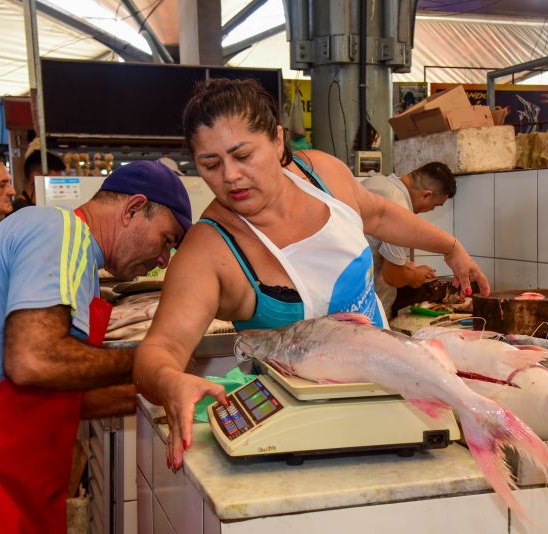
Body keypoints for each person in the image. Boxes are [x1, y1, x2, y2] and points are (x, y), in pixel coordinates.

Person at [132, 78, 491, 471]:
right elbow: (158, 350)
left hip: (396, 407)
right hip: (302, 441)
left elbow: (378, 214)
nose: (230, 176)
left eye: (243, 155)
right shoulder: (210, 249)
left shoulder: (321, 173)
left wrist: (450, 248)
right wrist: (169, 382)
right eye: (211, 165)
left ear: (278, 141)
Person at [0, 160, 191, 532]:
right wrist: (151, 359)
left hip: (9, 475)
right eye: (167, 239)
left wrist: (160, 392)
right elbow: (33, 360)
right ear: (133, 208)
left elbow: (57, 395)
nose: (163, 259)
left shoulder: (78, 259)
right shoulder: (60, 231)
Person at [363, 162, 457, 317]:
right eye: (434, 205)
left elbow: (371, 244)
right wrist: (415, 276)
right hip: (365, 312)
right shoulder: (400, 209)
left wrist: (403, 265)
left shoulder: (376, 181)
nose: (430, 210)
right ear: (426, 194)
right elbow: (392, 276)